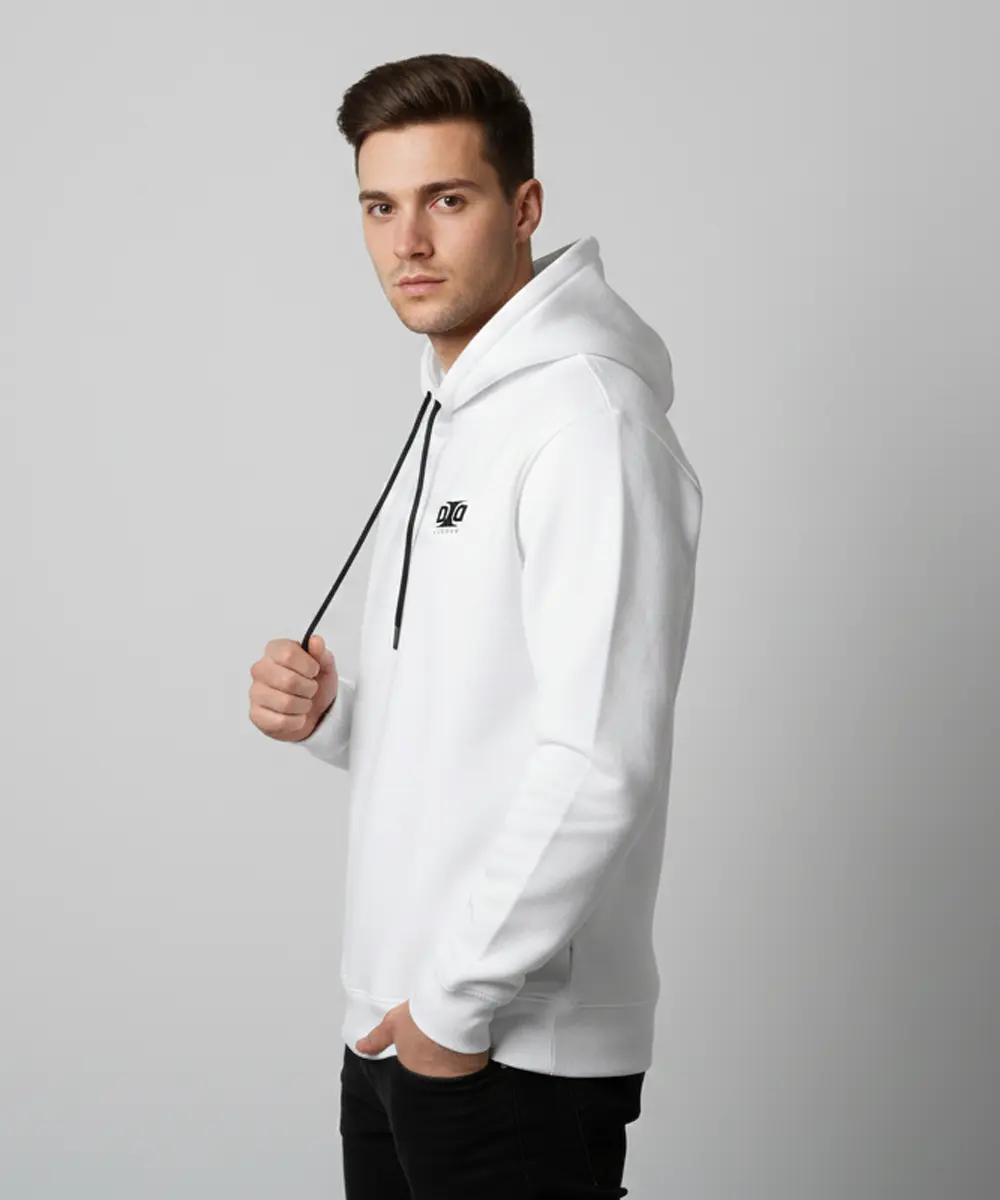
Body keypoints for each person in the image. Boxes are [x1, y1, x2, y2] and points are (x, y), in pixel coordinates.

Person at [248, 52, 703, 1200]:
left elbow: (601, 758)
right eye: (379, 206)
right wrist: (336, 718)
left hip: (509, 1049)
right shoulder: (452, 409)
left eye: (446, 200)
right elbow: (479, 718)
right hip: (396, 1028)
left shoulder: (587, 422)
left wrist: (452, 1010)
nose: (408, 241)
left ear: (523, 206)